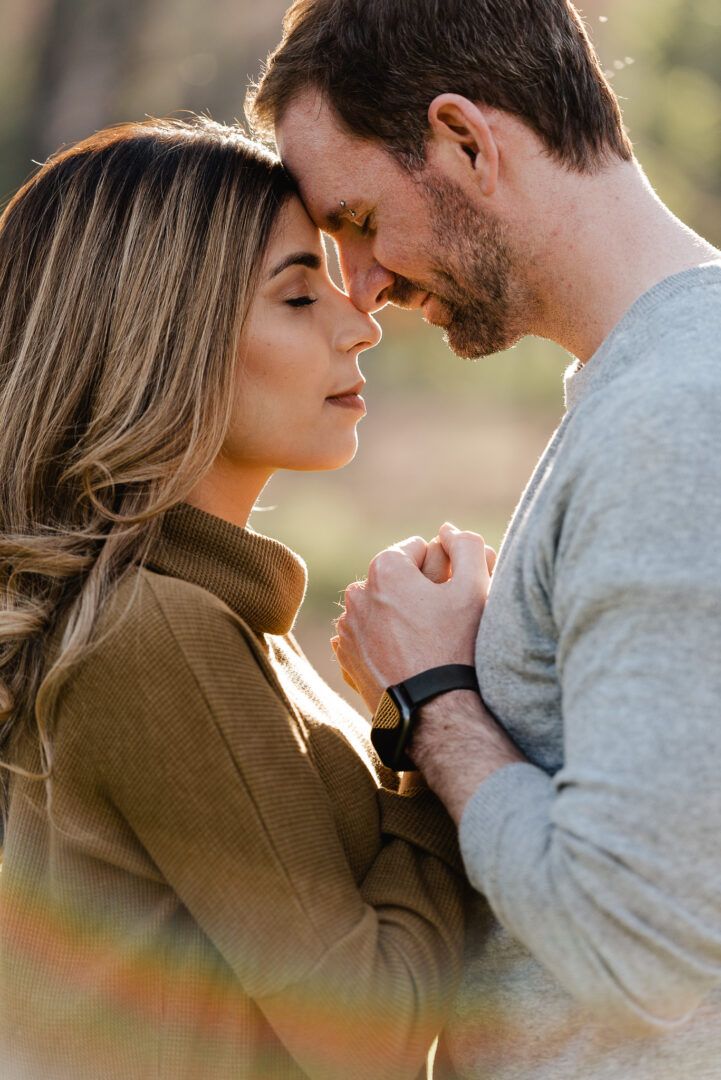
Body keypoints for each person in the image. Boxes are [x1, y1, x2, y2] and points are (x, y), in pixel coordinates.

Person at [248, 0, 721, 1076]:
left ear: (465, 141)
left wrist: (436, 692)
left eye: (360, 221)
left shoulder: (674, 417)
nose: (361, 290)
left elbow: (638, 946)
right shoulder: (654, 389)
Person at [0, 116, 469, 1080]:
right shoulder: (156, 633)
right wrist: (429, 705)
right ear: (160, 336)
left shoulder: (214, 621)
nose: (358, 321)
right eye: (299, 295)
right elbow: (369, 1038)